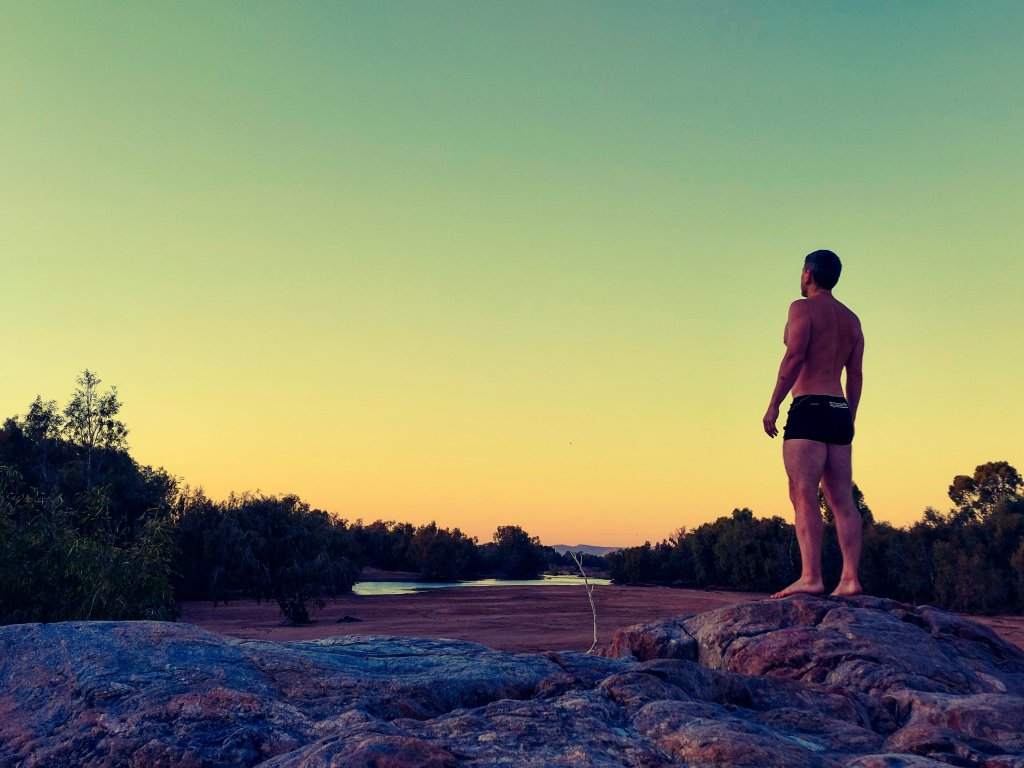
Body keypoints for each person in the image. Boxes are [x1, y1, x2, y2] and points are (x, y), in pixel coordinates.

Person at [762, 249, 864, 598]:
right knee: (842, 498)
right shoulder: (852, 320)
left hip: (808, 406)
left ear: (808, 274)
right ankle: (849, 579)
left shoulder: (801, 308)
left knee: (802, 492)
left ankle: (811, 577)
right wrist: (850, 416)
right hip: (838, 409)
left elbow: (794, 356)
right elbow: (855, 375)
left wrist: (773, 405)